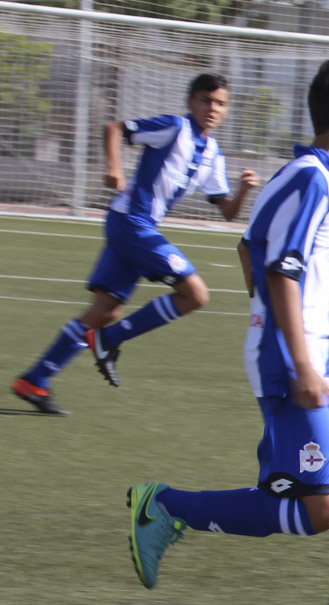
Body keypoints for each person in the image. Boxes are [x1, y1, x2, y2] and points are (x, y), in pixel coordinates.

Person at [125, 55, 329, 605]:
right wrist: (301, 363)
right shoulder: (311, 178)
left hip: (323, 352)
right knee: (321, 512)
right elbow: (282, 270)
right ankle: (166, 507)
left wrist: (298, 337)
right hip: (299, 360)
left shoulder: (313, 178)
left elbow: (248, 249)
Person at [11, 73, 259, 414]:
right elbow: (114, 128)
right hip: (131, 222)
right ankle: (109, 341)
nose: (212, 108)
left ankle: (35, 380)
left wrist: (244, 191)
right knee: (195, 294)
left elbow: (227, 211)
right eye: (205, 100)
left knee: (106, 311)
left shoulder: (213, 154)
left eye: (220, 103)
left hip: (133, 226)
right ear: (190, 102)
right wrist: (114, 166)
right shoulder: (174, 127)